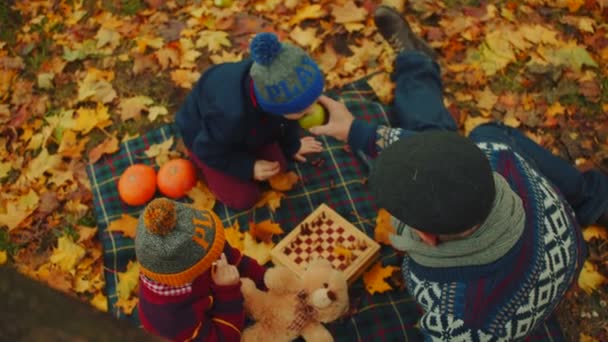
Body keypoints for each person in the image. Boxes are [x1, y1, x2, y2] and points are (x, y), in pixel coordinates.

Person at [310, 6, 608, 340]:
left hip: (513, 307)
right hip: (564, 250)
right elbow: (439, 150)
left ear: (426, 237)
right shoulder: (505, 162)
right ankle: (594, 197)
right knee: (486, 135)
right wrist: (355, 130)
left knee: (445, 131)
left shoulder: (458, 316)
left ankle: (416, 65)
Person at [175, 32, 324, 210]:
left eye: (314, 101)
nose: (312, 110)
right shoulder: (230, 116)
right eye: (302, 110)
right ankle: (201, 166)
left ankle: (255, 146)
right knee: (244, 199)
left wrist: (292, 145)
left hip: (250, 129)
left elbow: (286, 122)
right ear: (276, 108)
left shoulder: (272, 87)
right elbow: (207, 148)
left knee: (280, 165)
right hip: (207, 142)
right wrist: (248, 167)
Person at [135, 198, 267, 341]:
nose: (219, 252)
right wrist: (228, 292)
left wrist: (265, 279)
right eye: (212, 255)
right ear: (192, 271)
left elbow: (229, 255)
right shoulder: (170, 320)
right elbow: (225, 338)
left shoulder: (200, 245)